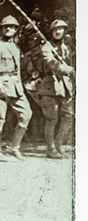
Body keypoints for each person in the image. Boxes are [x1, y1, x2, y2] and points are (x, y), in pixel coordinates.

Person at [0, 15, 33, 160]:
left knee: (26, 114)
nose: (9, 29)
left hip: (16, 86)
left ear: (16, 30)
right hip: (2, 85)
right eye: (6, 26)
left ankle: (14, 147)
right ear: (1, 29)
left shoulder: (16, 47)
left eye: (12, 27)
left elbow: (17, 70)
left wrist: (20, 86)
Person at [32, 19, 74, 158]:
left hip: (65, 86)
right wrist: (68, 70)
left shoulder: (66, 48)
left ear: (64, 31)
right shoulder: (46, 47)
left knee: (67, 116)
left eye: (61, 29)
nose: (58, 31)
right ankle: (50, 149)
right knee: (52, 118)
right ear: (51, 32)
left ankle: (58, 144)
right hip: (50, 85)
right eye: (55, 29)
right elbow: (52, 64)